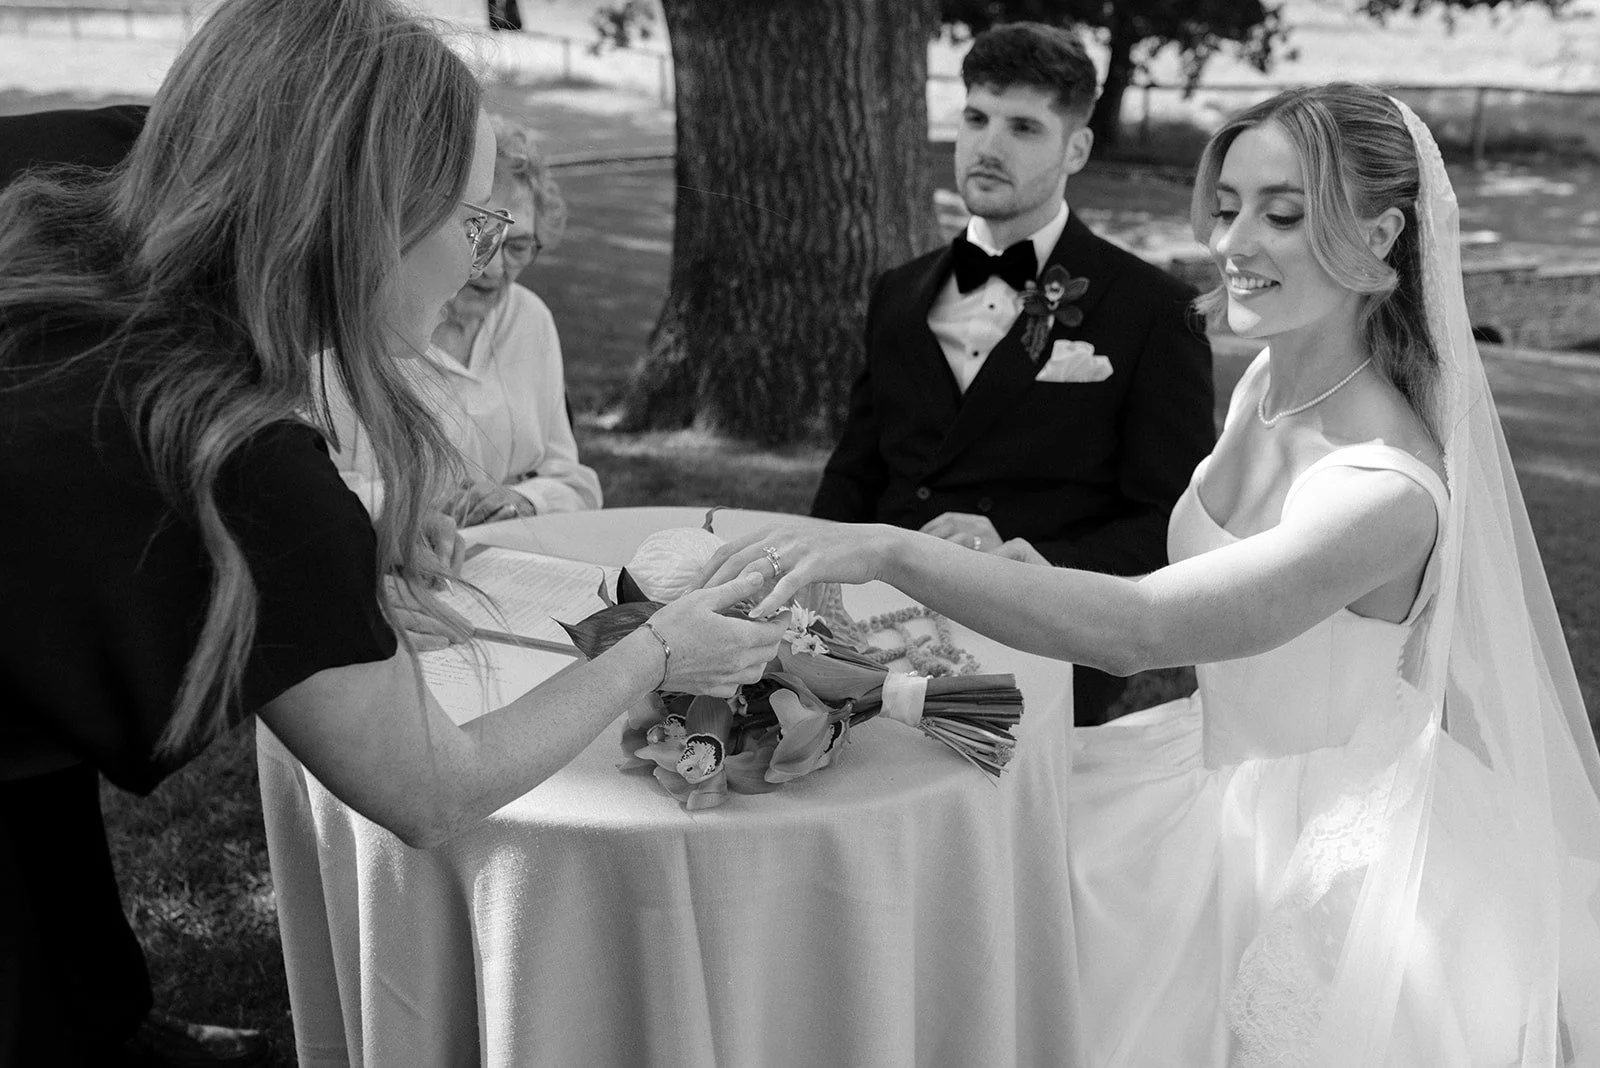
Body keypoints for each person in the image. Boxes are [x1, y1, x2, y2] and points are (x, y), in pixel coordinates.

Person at [711, 83, 1600, 1064]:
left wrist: (891, 548)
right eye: (1228, 209)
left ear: (1381, 232)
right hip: (1198, 759)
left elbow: (1145, 630)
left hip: (1310, 849)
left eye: (1284, 214)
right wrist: (1028, 567)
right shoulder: (1269, 380)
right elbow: (1192, 580)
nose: (1234, 244)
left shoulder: (1382, 494)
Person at [0, 2, 784, 1065]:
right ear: (364, 218)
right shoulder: (247, 469)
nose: (482, 255)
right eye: (471, 220)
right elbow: (430, 788)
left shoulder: (105, 152)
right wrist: (657, 648)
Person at [809, 22, 1215, 726]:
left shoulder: (1155, 312)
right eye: (976, 118)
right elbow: (855, 476)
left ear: (1076, 147)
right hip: (871, 638)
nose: (988, 147)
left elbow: (1168, 526)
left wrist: (1025, 563)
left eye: (1024, 127)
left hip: (1041, 646)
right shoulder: (897, 293)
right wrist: (807, 605)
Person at [322, 113, 602, 526]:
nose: (491, 268)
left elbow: (573, 482)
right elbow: (311, 490)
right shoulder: (366, 329)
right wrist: (421, 511)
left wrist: (520, 500)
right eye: (477, 234)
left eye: (519, 247)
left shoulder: (529, 319)